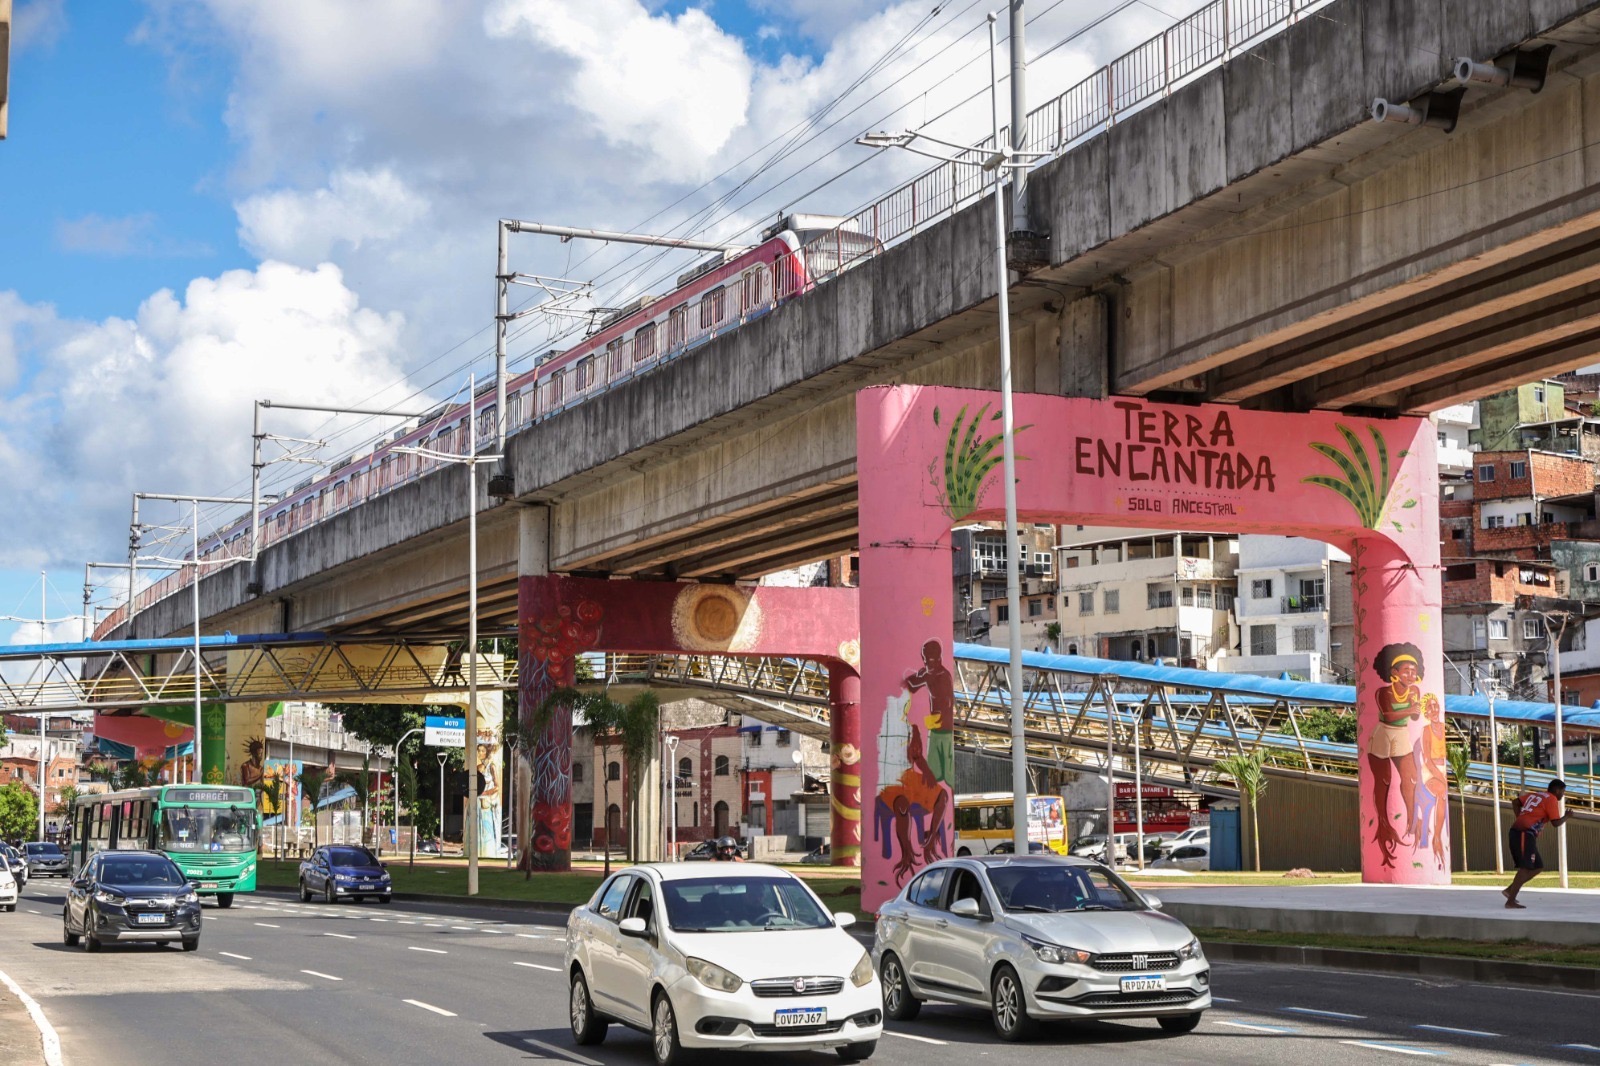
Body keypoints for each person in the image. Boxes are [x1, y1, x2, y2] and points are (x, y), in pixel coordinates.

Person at [1503, 779, 1570, 908]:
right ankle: (1510, 901)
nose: (1563, 795)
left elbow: (1516, 802)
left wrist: (1520, 817)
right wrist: (1567, 816)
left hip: (1524, 833)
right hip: (1523, 832)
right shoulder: (1551, 799)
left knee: (1538, 866)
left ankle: (1509, 891)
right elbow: (1555, 823)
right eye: (1562, 792)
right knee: (1526, 867)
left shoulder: (1537, 794)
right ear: (1556, 790)